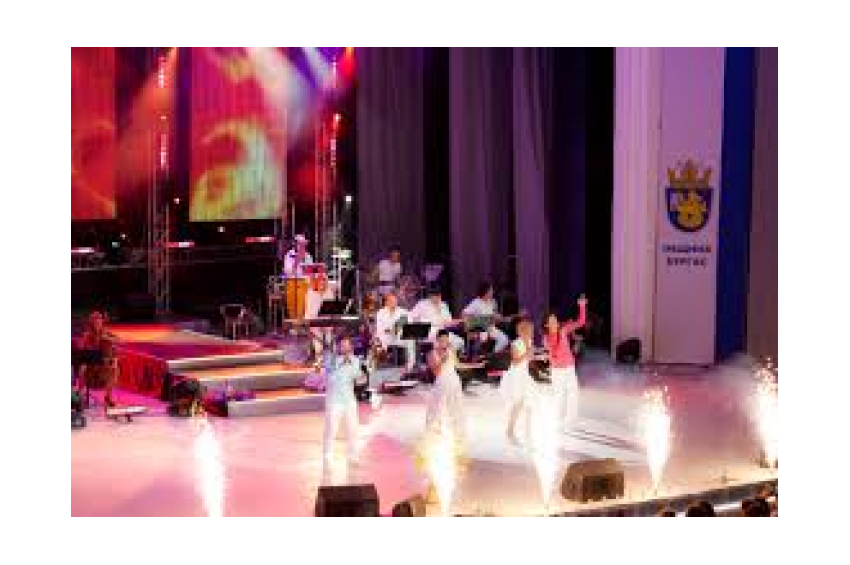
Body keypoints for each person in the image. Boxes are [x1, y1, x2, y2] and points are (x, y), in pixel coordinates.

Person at [543, 295, 588, 430]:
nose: (555, 322)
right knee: (559, 397)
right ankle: (557, 421)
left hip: (569, 368)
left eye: (555, 319)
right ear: (546, 324)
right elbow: (553, 353)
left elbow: (581, 322)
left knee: (573, 394)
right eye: (551, 321)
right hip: (557, 371)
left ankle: (570, 422)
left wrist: (582, 306)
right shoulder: (547, 338)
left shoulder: (563, 329)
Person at [322, 335, 366, 465]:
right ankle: (327, 454)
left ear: (351, 346)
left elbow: (358, 378)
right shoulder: (331, 359)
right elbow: (330, 378)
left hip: (349, 400)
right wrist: (342, 363)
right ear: (338, 347)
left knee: (353, 430)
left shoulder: (355, 360)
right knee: (331, 429)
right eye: (343, 346)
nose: (346, 348)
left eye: (348, 345)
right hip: (334, 401)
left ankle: (352, 455)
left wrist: (362, 377)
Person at [425, 330, 466, 447]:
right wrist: (443, 359)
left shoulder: (451, 351)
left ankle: (456, 433)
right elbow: (436, 372)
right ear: (437, 340)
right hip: (442, 383)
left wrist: (476, 366)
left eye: (446, 340)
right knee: (438, 408)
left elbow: (458, 365)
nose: (444, 342)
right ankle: (436, 434)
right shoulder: (431, 354)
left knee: (455, 407)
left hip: (454, 382)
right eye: (442, 340)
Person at [500, 318, 537, 445]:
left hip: (524, 375)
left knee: (529, 404)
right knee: (518, 405)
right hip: (515, 376)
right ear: (522, 331)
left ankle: (528, 433)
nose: (531, 333)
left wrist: (532, 352)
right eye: (529, 331)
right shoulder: (515, 343)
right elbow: (515, 362)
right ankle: (509, 431)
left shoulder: (530, 341)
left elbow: (530, 358)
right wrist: (527, 353)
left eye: (532, 331)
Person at [77, 310, 119, 408]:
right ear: (91, 323)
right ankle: (78, 395)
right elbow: (82, 353)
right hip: (90, 368)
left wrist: (108, 339)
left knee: (115, 370)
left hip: (103, 368)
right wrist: (83, 364)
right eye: (95, 322)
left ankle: (108, 397)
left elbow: (118, 341)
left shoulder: (106, 333)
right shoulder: (87, 336)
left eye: (99, 321)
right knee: (82, 369)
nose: (97, 324)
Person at [409, 287, 464, 351]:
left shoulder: (444, 305)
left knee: (459, 342)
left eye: (437, 296)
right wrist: (417, 324)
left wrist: (460, 321)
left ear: (440, 295)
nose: (435, 298)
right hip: (426, 330)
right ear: (429, 296)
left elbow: (448, 322)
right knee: (440, 340)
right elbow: (411, 316)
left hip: (441, 331)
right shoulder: (422, 304)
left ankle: (446, 355)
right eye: (433, 296)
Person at [462, 281, 510, 355]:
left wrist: (502, 318)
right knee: (483, 337)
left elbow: (495, 315)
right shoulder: (476, 302)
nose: (492, 292)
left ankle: (493, 355)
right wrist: (475, 322)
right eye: (490, 291)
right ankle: (477, 354)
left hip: (491, 328)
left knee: (504, 339)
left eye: (492, 291)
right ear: (485, 292)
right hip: (479, 328)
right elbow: (464, 313)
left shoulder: (493, 302)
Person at [375, 291, 416, 371]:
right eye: (391, 301)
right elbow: (380, 328)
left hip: (399, 336)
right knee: (378, 339)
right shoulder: (380, 313)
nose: (393, 303)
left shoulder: (403, 312)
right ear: (386, 302)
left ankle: (410, 364)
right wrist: (390, 331)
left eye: (395, 301)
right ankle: (379, 364)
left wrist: (395, 330)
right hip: (386, 337)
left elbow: (408, 325)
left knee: (410, 337)